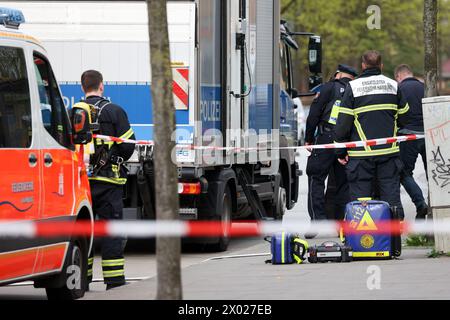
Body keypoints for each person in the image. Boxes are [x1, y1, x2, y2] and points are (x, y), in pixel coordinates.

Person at [334, 51, 410, 220]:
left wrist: (340, 151)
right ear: (381, 66)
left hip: (361, 157)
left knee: (362, 202)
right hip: (388, 154)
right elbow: (405, 116)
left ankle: (363, 243)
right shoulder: (393, 85)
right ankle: (393, 242)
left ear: (363, 65)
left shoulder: (352, 87)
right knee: (390, 198)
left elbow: (343, 124)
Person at [81, 70, 136, 290]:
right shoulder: (115, 111)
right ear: (101, 86)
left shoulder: (73, 112)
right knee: (111, 232)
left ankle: (80, 282)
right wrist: (113, 159)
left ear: (82, 87)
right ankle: (114, 282)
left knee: (82, 233)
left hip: (81, 184)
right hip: (109, 183)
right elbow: (128, 144)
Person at [304, 64, 358, 238]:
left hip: (326, 139)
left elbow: (314, 114)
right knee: (342, 184)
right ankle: (340, 224)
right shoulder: (355, 90)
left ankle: (317, 221)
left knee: (316, 178)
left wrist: (309, 138)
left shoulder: (327, 88)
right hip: (346, 142)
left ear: (338, 74)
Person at [394, 64, 429, 220]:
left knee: (404, 172)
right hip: (428, 135)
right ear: (411, 73)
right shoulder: (425, 87)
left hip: (408, 136)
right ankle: (434, 207)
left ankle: (420, 204)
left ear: (398, 76)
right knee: (433, 173)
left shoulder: (399, 89)